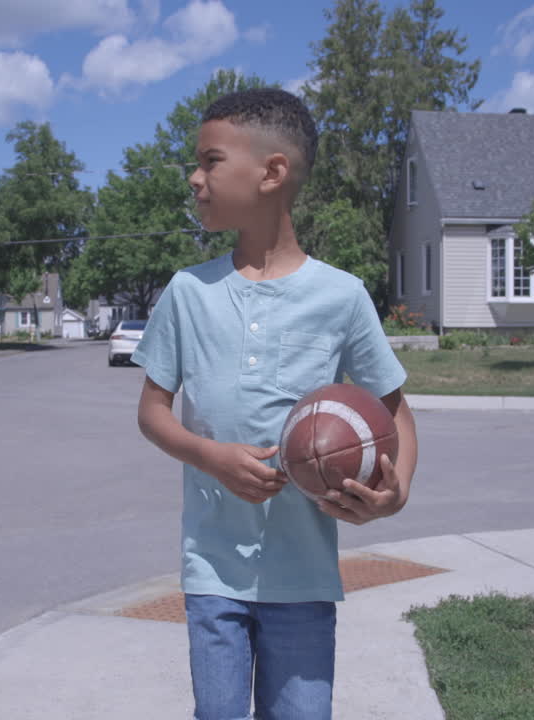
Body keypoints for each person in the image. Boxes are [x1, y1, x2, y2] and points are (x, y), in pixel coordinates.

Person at [132, 88, 419, 720]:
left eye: (210, 161)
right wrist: (211, 457)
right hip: (212, 571)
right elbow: (152, 412)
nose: (194, 177)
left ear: (271, 173)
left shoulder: (341, 296)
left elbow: (394, 409)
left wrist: (395, 494)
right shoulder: (188, 292)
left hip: (303, 575)